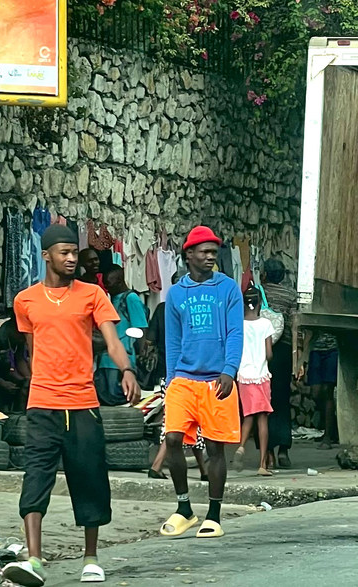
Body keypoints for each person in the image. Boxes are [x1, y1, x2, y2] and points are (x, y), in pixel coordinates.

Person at [4, 225, 140, 586]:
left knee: (89, 477)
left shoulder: (93, 294)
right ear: (46, 255)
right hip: (43, 405)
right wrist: (35, 384)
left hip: (83, 404)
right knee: (35, 477)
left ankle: (91, 557)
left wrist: (126, 369)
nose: (69, 258)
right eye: (62, 252)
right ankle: (34, 558)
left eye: (72, 253)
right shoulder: (25, 300)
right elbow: (33, 350)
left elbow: (112, 341)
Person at [161, 226, 243, 540]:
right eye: (205, 252)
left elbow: (235, 332)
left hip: (217, 380)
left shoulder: (228, 288)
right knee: (172, 440)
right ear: (189, 255)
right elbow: (173, 340)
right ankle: (184, 508)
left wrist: (229, 370)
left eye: (214, 252)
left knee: (214, 449)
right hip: (184, 379)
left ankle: (213, 514)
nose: (210, 257)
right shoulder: (176, 293)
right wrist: (171, 380)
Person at [148, 273, 209, 482]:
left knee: (179, 422)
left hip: (168, 373)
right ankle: (200, 470)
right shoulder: (193, 308)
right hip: (188, 374)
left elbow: (150, 339)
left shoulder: (163, 309)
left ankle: (203, 470)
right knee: (184, 423)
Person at [233, 286, 275, 476]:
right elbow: (268, 354)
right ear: (259, 303)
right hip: (261, 375)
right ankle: (262, 465)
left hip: (243, 375)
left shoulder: (238, 325)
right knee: (263, 418)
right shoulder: (265, 324)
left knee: (248, 414)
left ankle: (241, 446)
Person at [260, 258, 297, 468]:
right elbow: (294, 326)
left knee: (263, 401)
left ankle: (269, 452)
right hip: (283, 351)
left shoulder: (256, 291)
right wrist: (296, 355)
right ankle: (284, 450)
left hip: (261, 353)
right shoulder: (290, 295)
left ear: (264, 273)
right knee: (282, 399)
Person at [95, 266, 149, 406]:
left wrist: (139, 354)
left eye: (109, 283)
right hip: (106, 357)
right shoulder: (110, 299)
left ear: (119, 281)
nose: (107, 287)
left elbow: (141, 327)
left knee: (119, 397)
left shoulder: (131, 298)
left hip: (123, 357)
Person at [306, 331, 339, 449]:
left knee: (328, 391)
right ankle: (332, 427)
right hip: (315, 348)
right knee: (316, 392)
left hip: (333, 348)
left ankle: (328, 436)